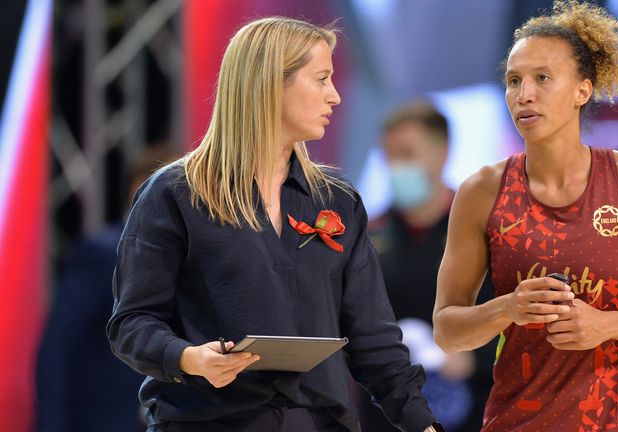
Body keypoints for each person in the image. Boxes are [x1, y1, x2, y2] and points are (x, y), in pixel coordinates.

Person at [107, 17, 443, 432]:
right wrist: (190, 358)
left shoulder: (336, 199)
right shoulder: (175, 193)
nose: (334, 96)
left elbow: (375, 340)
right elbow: (132, 322)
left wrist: (424, 426)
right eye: (321, 79)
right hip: (207, 422)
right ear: (269, 84)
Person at [432, 1, 618, 431]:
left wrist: (607, 324)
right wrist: (508, 307)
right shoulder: (481, 191)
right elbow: (448, 330)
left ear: (583, 90)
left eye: (542, 78)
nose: (524, 94)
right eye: (513, 81)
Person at [360, 102, 495, 431]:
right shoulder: (367, 236)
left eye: (407, 154)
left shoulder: (486, 230)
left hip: (478, 411)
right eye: (388, 156)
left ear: (442, 154)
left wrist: (472, 357)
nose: (395, 166)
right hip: (388, 416)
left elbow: (518, 320)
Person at [36, 146, 176, 432]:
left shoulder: (194, 256)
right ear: (135, 190)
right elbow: (58, 350)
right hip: (109, 420)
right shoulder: (102, 252)